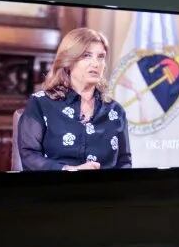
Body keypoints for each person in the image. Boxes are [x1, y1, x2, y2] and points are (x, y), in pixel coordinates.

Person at [17, 27, 132, 170]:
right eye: (87, 55)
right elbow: (29, 156)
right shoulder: (41, 104)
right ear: (68, 61)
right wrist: (68, 170)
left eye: (100, 57)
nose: (95, 63)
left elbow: (124, 162)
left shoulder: (115, 111)